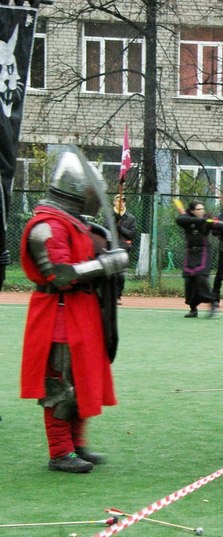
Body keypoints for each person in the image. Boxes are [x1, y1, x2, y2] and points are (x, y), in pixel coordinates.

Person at [19, 147, 127, 473]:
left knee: (81, 381)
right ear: (79, 191)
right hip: (59, 315)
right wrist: (106, 264)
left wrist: (103, 253)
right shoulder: (47, 226)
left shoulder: (75, 224)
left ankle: (77, 445)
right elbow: (60, 275)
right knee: (61, 384)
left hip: (80, 313)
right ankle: (60, 452)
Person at [175, 200, 223, 318]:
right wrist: (201, 220)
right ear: (192, 211)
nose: (201, 211)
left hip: (203, 252)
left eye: (202, 209)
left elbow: (221, 226)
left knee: (200, 277)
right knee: (189, 280)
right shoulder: (187, 219)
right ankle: (193, 309)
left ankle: (213, 303)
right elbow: (180, 220)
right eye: (198, 209)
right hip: (190, 252)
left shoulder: (207, 220)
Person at [112, 193, 136, 305]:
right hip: (111, 248)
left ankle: (117, 296)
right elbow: (105, 229)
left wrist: (120, 228)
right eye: (119, 201)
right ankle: (109, 295)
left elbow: (132, 234)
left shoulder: (130, 218)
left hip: (124, 248)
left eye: (123, 201)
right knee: (111, 274)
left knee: (120, 274)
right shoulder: (109, 215)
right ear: (114, 202)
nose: (121, 203)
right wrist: (114, 223)